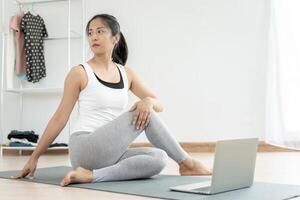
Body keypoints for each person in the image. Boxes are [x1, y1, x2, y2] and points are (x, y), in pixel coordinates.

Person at [11, 14, 211, 186]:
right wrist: (34, 157)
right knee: (144, 112)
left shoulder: (127, 74)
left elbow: (159, 103)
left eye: (100, 31)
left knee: (159, 158)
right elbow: (59, 118)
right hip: (86, 146)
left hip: (111, 152)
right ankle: (188, 163)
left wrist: (148, 101)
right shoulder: (80, 73)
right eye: (90, 32)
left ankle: (92, 176)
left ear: (115, 38)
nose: (93, 37)